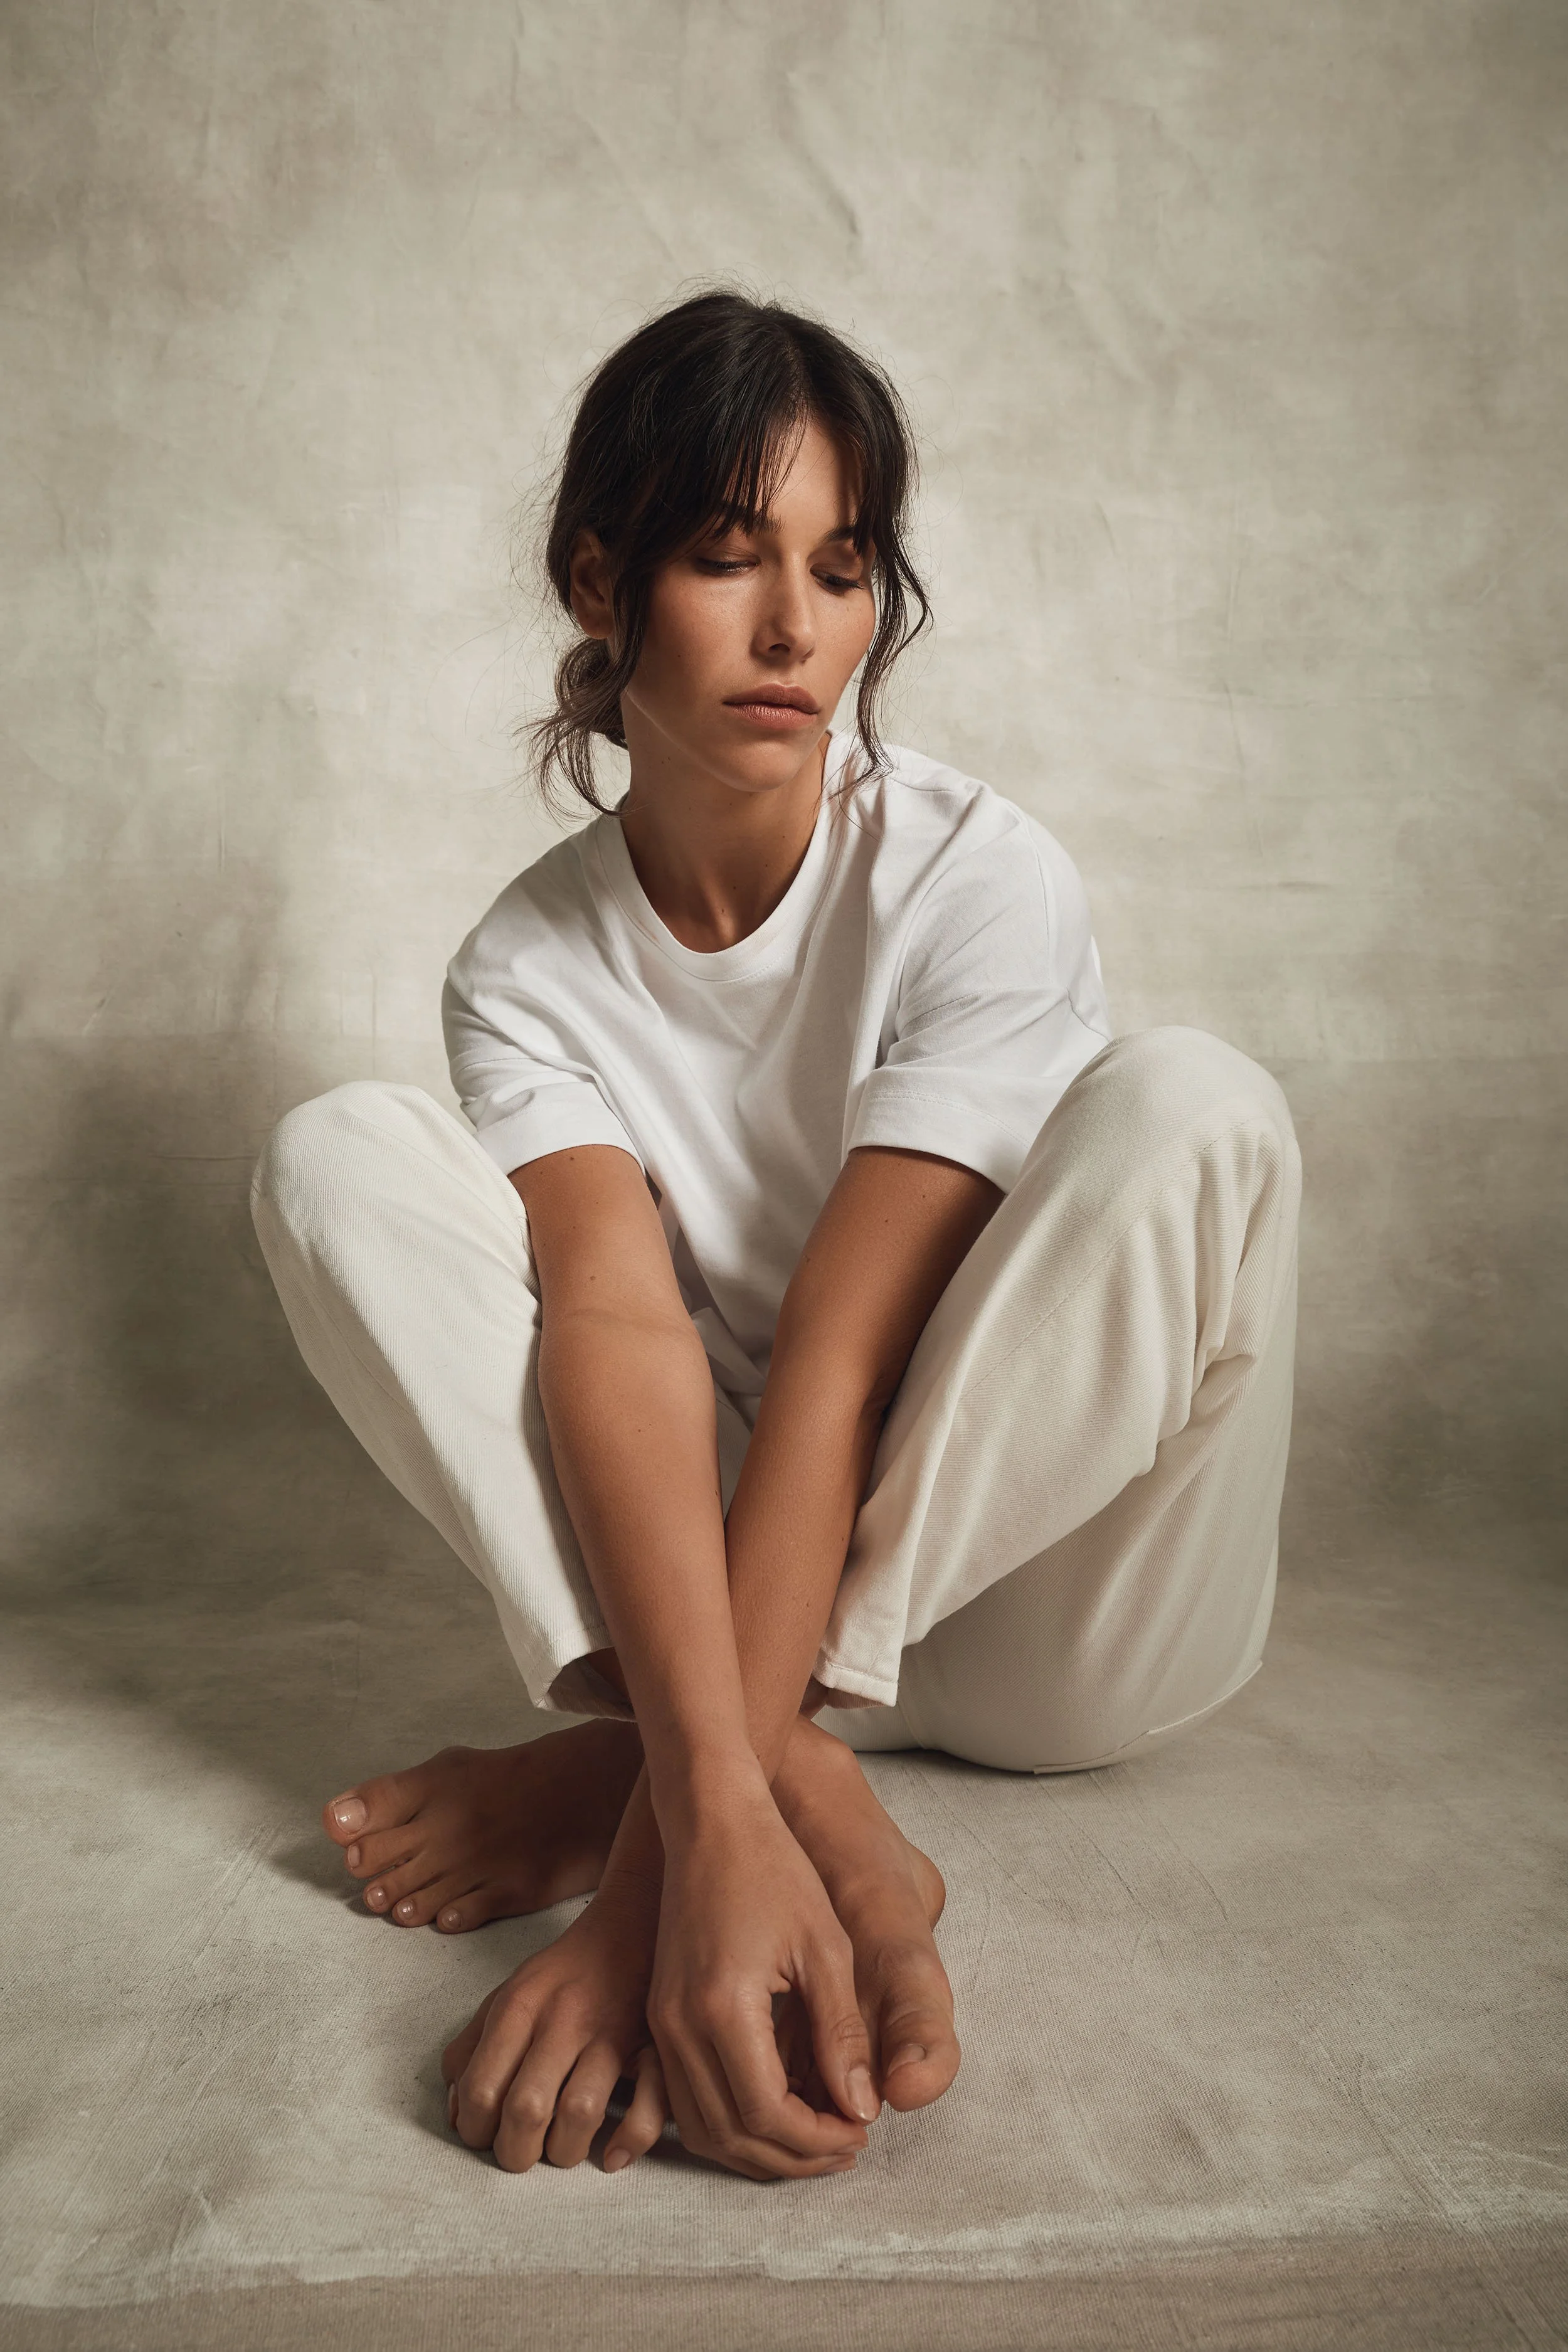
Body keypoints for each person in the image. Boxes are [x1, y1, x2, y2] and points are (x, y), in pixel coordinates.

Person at [250, 289, 1301, 2185]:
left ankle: (650, 1765)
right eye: (725, 558)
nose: (793, 624)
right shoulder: (525, 966)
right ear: (598, 579)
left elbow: (837, 1364)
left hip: (1057, 1610)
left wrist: (653, 1886)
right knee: (333, 1154)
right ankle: (799, 1781)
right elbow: (619, 1329)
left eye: (840, 565)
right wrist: (741, 1811)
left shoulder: (978, 876)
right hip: (737, 1597)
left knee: (1197, 1105)